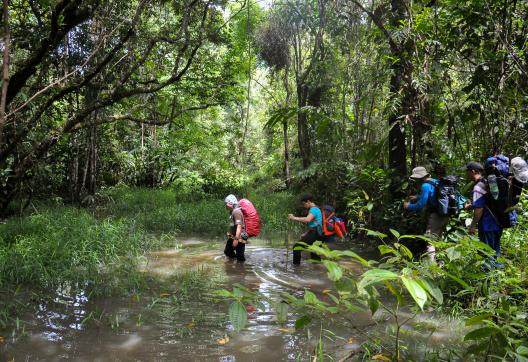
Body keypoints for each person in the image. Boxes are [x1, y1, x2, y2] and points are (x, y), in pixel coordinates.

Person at [403, 166, 449, 260]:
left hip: (436, 216)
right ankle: (440, 265)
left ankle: (432, 270)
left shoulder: (425, 185)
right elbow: (432, 195)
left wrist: (408, 206)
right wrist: (416, 197)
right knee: (438, 240)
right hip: (445, 213)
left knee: (430, 241)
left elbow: (421, 204)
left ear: (418, 177)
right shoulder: (435, 181)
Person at [465, 162, 503, 268]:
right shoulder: (488, 183)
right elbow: (486, 203)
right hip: (498, 222)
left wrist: (472, 225)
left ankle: (487, 280)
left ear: (473, 171)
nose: (467, 174)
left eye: (467, 171)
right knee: (495, 252)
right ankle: (497, 276)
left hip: (487, 225)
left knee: (487, 254)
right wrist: (471, 206)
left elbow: (479, 209)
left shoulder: (478, 187)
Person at [288, 194, 325, 265]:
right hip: (319, 234)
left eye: (304, 204)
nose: (304, 206)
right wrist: (306, 233)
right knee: (314, 253)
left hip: (315, 233)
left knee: (296, 248)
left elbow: (308, 220)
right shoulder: (317, 209)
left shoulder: (313, 209)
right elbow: (315, 224)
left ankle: (296, 268)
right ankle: (318, 273)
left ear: (308, 201)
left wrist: (294, 218)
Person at [224, 194, 247, 262]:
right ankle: (234, 265)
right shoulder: (233, 211)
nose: (225, 205)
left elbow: (239, 226)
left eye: (226, 203)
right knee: (227, 251)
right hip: (234, 236)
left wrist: (236, 239)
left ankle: (241, 268)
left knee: (240, 256)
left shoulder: (236, 212)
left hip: (240, 237)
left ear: (231, 203)